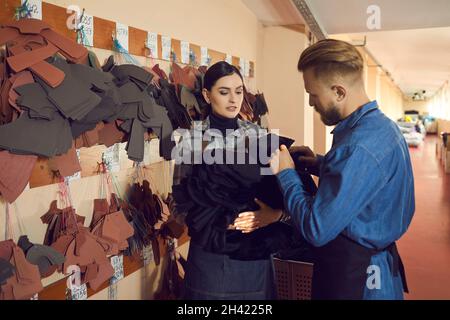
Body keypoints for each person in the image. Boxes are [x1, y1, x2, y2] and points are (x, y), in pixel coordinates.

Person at [234, 39, 415, 300]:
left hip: (360, 281)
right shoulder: (380, 128)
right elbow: (368, 180)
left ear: (339, 92)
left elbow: (316, 228)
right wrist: (321, 163)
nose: (310, 103)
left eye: (313, 94)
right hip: (375, 268)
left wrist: (286, 174)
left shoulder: (357, 147)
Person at [172, 61, 287, 300]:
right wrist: (211, 221)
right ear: (206, 94)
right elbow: (179, 203)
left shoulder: (258, 135)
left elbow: (275, 191)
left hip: (253, 249)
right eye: (224, 92)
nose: (233, 99)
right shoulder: (191, 140)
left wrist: (267, 215)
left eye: (238, 91)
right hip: (210, 253)